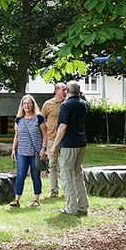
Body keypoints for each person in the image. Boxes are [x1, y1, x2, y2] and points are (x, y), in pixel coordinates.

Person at [49, 81, 89, 216]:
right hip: (81, 143)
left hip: (69, 144)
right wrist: (81, 96)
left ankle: (71, 208)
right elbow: (86, 103)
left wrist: (54, 145)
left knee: (66, 176)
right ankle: (83, 206)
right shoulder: (84, 104)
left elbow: (63, 127)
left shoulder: (66, 105)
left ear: (67, 91)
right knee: (78, 174)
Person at [10, 94, 47, 208]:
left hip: (35, 152)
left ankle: (36, 199)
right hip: (22, 151)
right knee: (20, 175)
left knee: (35, 175)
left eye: (29, 103)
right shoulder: (19, 119)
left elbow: (45, 135)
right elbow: (17, 135)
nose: (27, 105)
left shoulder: (39, 117)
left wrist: (43, 149)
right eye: (25, 103)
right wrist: (13, 149)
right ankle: (16, 200)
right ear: (22, 105)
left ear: (33, 104)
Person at [40, 82, 67, 198]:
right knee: (52, 165)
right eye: (63, 90)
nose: (66, 92)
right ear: (56, 91)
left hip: (66, 140)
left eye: (66, 90)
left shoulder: (68, 104)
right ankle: (54, 190)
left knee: (65, 165)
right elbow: (40, 119)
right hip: (51, 139)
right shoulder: (48, 104)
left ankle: (67, 189)